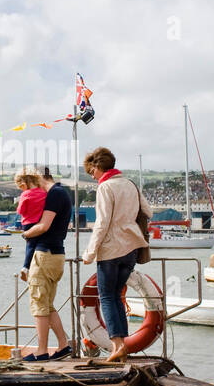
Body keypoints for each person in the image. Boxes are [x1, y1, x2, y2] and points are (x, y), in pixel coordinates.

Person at [81, 147, 152, 365]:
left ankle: (118, 345)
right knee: (117, 297)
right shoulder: (130, 184)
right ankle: (124, 345)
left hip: (111, 249)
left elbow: (102, 223)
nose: (91, 175)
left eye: (91, 171)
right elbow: (148, 211)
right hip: (131, 248)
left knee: (107, 297)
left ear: (96, 167)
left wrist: (90, 252)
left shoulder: (105, 187)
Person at [20, 166, 73, 361]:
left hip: (45, 254)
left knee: (38, 304)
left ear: (40, 178)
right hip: (56, 254)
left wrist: (25, 233)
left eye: (33, 181)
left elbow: (43, 225)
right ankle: (63, 346)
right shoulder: (62, 193)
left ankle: (41, 351)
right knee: (48, 305)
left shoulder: (54, 194)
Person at [15, 168, 47, 283]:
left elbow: (21, 210)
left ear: (23, 184)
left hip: (28, 224)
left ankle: (26, 267)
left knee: (30, 246)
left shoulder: (25, 194)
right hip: (40, 223)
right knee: (38, 245)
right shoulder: (43, 192)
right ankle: (34, 266)